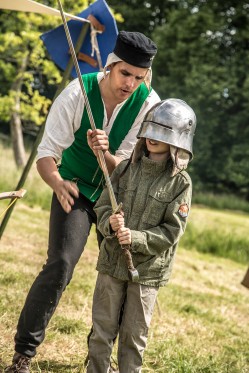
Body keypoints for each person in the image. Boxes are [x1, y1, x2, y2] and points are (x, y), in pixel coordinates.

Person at [5, 31, 160, 373]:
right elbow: (46, 154)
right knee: (60, 263)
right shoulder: (77, 93)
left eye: (139, 77)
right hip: (73, 189)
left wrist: (105, 154)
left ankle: (101, 359)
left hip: (116, 198)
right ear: (110, 66)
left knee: (117, 276)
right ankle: (23, 355)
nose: (130, 83)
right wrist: (57, 182)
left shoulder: (149, 105)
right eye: (125, 74)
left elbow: (131, 171)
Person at [86, 98, 197, 373]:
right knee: (101, 331)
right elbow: (101, 205)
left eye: (163, 132)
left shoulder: (180, 183)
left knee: (133, 339)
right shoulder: (125, 169)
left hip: (146, 273)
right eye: (152, 130)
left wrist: (135, 238)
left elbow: (172, 230)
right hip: (112, 264)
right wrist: (109, 223)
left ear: (178, 140)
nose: (153, 138)